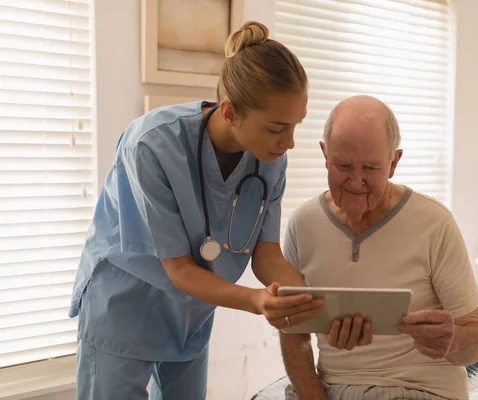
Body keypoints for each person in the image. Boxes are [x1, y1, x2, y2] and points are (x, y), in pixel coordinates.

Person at [68, 21, 324, 400]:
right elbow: (181, 269)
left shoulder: (269, 158)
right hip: (124, 306)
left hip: (191, 312)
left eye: (295, 126)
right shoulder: (152, 145)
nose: (289, 142)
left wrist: (309, 301)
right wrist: (256, 301)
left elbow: (266, 254)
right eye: (277, 128)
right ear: (231, 111)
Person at [278, 95, 478, 400]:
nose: (355, 181)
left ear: (393, 163)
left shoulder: (435, 223)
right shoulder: (303, 224)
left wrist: (454, 341)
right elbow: (293, 334)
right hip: (329, 389)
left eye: (370, 167)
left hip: (421, 390)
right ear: (325, 155)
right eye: (343, 165)